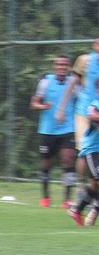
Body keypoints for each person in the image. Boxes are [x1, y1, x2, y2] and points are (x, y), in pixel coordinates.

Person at [30, 55, 77, 209]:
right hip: (47, 131)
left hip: (68, 129)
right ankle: (46, 197)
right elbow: (34, 103)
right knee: (46, 165)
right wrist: (42, 107)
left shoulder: (73, 83)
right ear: (54, 66)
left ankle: (67, 200)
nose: (62, 67)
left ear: (69, 67)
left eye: (65, 65)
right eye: (59, 65)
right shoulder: (45, 82)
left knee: (68, 160)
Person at [69, 81, 99, 226]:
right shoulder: (94, 104)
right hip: (92, 150)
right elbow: (93, 117)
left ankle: (77, 210)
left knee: (94, 185)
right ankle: (93, 211)